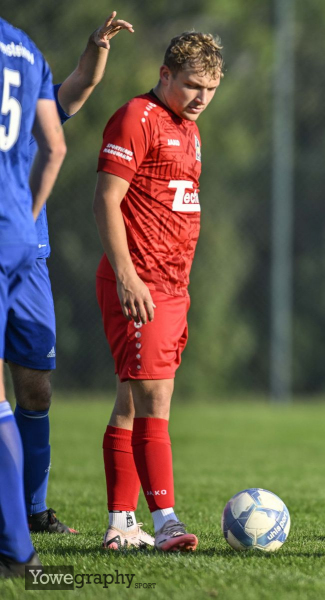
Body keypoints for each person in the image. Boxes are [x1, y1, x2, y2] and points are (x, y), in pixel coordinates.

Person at [93, 31, 222, 552]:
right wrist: (126, 274)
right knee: (155, 396)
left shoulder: (188, 128)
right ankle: (165, 519)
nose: (201, 97)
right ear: (165, 74)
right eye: (192, 85)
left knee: (130, 400)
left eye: (211, 88)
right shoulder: (136, 117)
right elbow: (106, 199)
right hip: (141, 283)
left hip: (172, 286)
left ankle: (121, 524)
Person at [10, 11, 133, 538]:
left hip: (28, 261)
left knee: (36, 389)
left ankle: (34, 511)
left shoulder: (32, 111)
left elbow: (80, 86)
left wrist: (97, 47)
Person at [0, 18, 66, 577]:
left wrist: (28, 216)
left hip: (18, 244)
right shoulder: (23, 46)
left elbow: (58, 138)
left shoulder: (24, 48)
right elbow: (57, 145)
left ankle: (20, 538)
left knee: (29, 388)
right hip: (17, 238)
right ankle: (18, 545)